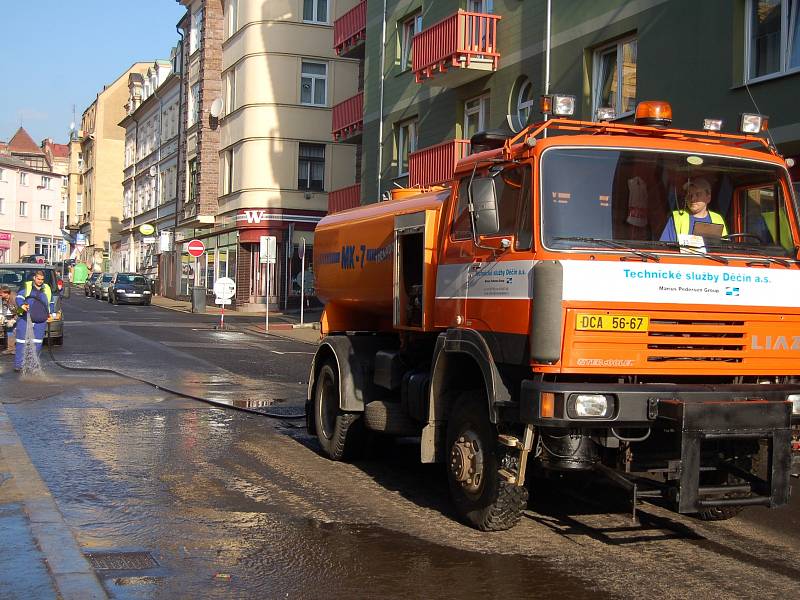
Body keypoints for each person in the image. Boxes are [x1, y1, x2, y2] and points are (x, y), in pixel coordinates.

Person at [660, 178, 728, 242]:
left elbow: (725, 249)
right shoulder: (677, 218)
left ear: (708, 197)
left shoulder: (718, 219)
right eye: (689, 194)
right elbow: (665, 248)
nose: (692, 199)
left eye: (698, 194)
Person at [14, 270, 56, 372]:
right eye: (38, 279)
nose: (40, 281)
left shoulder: (47, 289)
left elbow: (51, 303)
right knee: (21, 342)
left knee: (37, 343)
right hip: (25, 318)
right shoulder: (27, 287)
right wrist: (22, 305)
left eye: (42, 279)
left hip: (41, 320)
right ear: (34, 278)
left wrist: (52, 314)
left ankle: (33, 364)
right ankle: (19, 365)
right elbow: (19, 297)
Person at [0, 285, 17, 355]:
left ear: (7, 293)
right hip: (15, 313)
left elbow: (22, 309)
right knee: (9, 329)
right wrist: (3, 316)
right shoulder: (4, 298)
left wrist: (14, 320)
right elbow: (4, 307)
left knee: (18, 331)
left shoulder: (15, 298)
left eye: (1, 293)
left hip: (23, 315)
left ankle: (19, 349)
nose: (0, 294)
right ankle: (10, 349)